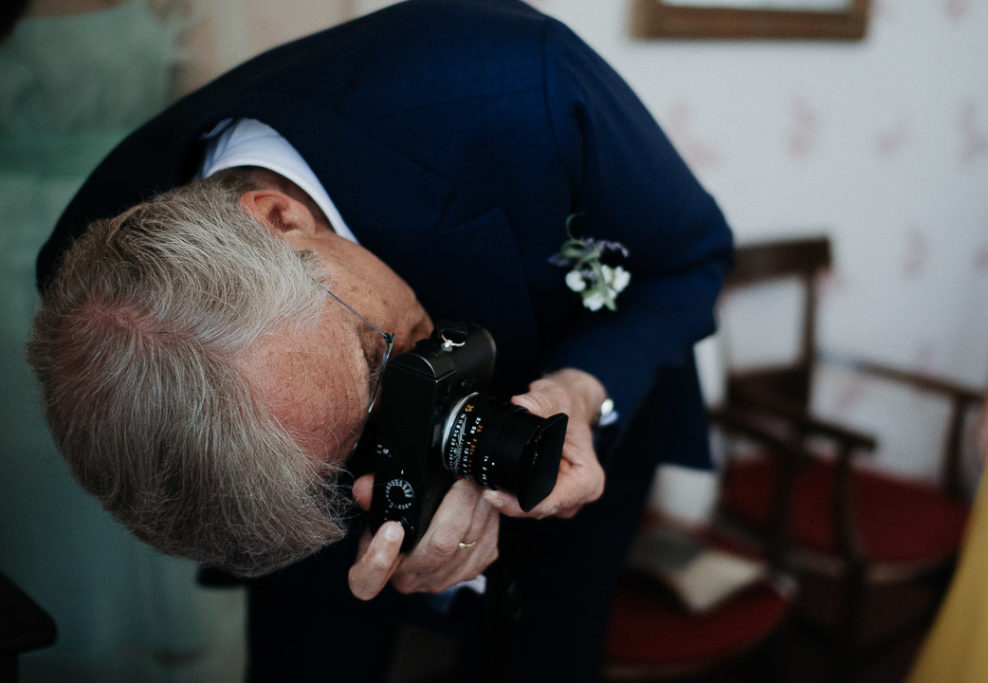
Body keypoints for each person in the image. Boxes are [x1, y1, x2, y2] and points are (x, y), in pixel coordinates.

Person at [28, 0, 733, 680]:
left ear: (280, 216)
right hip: (334, 533)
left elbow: (692, 256)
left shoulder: (518, 85)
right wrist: (369, 508)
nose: (401, 406)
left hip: (565, 447)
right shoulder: (91, 307)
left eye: (373, 355)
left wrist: (579, 388)